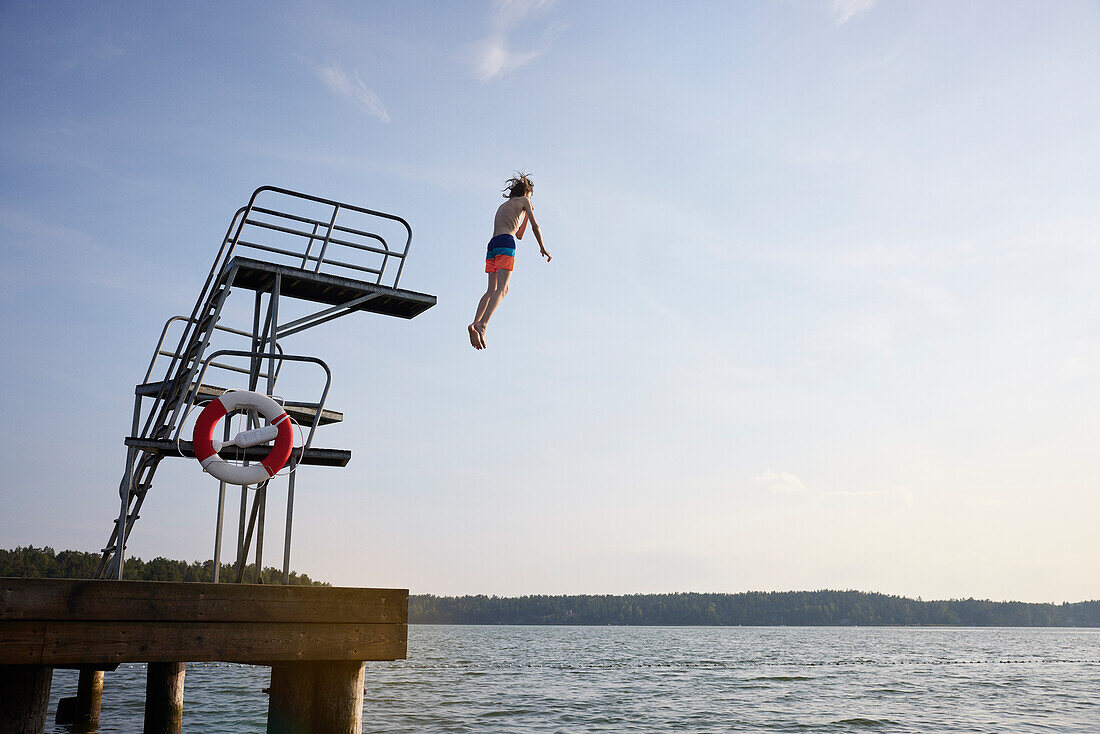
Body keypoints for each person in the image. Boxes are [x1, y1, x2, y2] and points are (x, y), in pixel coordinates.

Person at [468, 172, 550, 349]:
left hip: (492, 245)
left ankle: (475, 323)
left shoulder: (503, 206)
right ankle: (483, 325)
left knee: (491, 290)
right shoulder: (524, 201)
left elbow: (519, 234)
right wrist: (542, 246)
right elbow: (535, 227)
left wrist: (526, 216)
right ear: (526, 193)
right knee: (503, 289)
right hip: (506, 242)